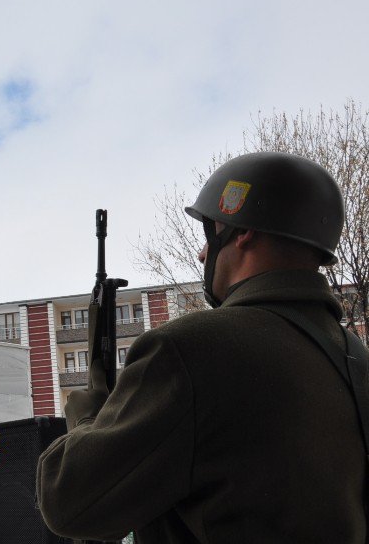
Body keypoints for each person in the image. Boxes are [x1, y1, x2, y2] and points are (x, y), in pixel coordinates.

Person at [37, 151, 367, 543]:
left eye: (209, 234)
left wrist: (88, 420)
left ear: (241, 231)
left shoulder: (190, 350)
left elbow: (70, 504)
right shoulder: (357, 359)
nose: (202, 253)